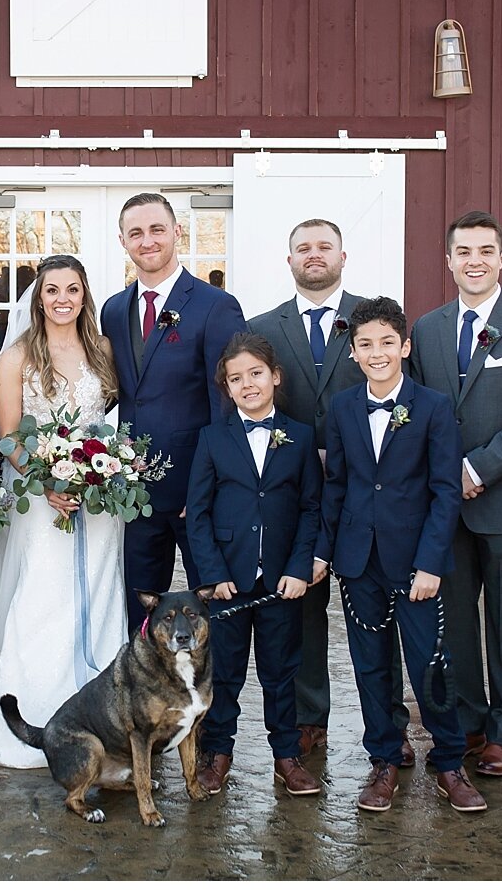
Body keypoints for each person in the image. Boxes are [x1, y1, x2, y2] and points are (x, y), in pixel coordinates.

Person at [406, 211, 502, 778]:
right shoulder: (425, 329)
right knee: (454, 620)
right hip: (444, 505)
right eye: (463, 251)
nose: (475, 260)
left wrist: (476, 469)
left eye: (486, 250)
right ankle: (468, 720)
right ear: (448, 261)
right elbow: (418, 409)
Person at [314, 296, 487, 815]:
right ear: (353, 352)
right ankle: (384, 759)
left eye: (387, 342)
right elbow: (336, 487)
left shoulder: (433, 407)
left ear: (405, 346)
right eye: (365, 344)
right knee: (370, 667)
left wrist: (432, 563)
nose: (376, 352)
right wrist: (325, 554)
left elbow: (444, 491)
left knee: (430, 664)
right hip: (358, 560)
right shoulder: (343, 408)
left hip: (417, 565)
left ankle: (450, 762)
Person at [0, 255, 129, 768]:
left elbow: (108, 418)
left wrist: (102, 469)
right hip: (40, 497)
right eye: (52, 290)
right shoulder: (17, 356)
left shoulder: (102, 349)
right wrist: (47, 482)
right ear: (38, 298)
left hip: (99, 501)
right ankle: (33, 715)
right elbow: (10, 434)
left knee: (100, 595)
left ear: (85, 295)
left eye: (73, 289)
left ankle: (104, 723)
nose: (62, 299)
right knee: (43, 595)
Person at [247, 218, 372, 758]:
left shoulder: (372, 319)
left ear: (344, 256)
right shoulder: (262, 328)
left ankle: (386, 723)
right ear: (289, 260)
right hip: (291, 494)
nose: (314, 255)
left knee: (374, 607)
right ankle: (306, 717)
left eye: (325, 246)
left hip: (367, 490)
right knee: (302, 608)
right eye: (303, 248)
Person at [99, 192, 247, 633]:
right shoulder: (112, 309)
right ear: (123, 241)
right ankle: (148, 697)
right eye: (136, 233)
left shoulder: (214, 305)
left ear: (177, 232)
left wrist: (209, 484)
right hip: (136, 495)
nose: (148, 241)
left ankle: (216, 702)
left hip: (196, 494)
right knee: (139, 614)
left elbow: (227, 401)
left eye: (157, 229)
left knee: (214, 607)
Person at [186, 333, 323, 798]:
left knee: (280, 671)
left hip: (281, 581)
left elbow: (310, 508)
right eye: (235, 378)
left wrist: (300, 566)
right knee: (223, 672)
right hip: (228, 581)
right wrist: (213, 574)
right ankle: (218, 754)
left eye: (255, 374)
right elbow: (198, 513)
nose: (247, 385)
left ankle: (286, 756)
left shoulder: (301, 437)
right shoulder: (212, 438)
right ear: (226, 387)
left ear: (275, 376)